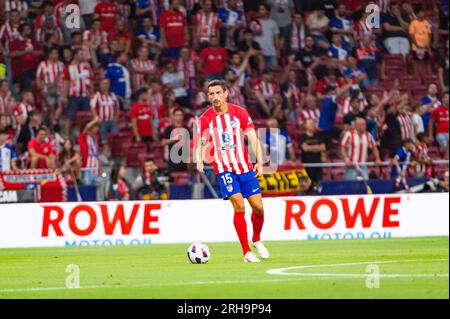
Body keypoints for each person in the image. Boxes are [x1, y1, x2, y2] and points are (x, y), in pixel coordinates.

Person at [196, 80, 269, 263]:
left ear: (226, 93)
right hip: (224, 169)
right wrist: (199, 158)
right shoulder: (205, 118)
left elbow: (252, 137)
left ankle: (257, 239)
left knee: (258, 207)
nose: (215, 97)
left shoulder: (240, 113)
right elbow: (203, 140)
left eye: (218, 93)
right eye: (211, 94)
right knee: (239, 205)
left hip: (244, 168)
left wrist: (259, 161)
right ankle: (246, 252)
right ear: (208, 96)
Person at [341, 116, 382, 180]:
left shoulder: (368, 135)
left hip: (363, 166)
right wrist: (346, 159)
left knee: (365, 186)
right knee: (350, 186)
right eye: (362, 124)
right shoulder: (349, 135)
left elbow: (374, 148)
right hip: (352, 166)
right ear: (356, 125)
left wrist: (377, 158)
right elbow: (343, 148)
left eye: (365, 124)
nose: (364, 126)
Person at [161, 107, 191, 174]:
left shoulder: (187, 129)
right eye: (177, 115)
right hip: (173, 159)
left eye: (180, 115)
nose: (179, 117)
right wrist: (174, 139)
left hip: (185, 159)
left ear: (183, 116)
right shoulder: (169, 129)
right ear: (173, 116)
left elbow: (191, 142)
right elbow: (163, 142)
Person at [299, 119, 326, 191]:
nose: (313, 125)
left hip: (318, 164)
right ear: (306, 126)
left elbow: (323, 147)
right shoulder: (302, 137)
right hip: (307, 165)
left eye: (313, 123)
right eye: (310, 124)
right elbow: (305, 148)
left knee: (317, 185)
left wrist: (310, 147)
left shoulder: (319, 136)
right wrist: (317, 147)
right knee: (308, 185)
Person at [78, 116, 100, 186]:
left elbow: (97, 154)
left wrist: (99, 165)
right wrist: (95, 120)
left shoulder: (95, 139)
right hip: (87, 168)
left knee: (95, 189)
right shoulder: (83, 137)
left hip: (95, 168)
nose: (96, 129)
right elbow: (87, 127)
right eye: (94, 127)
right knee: (87, 186)